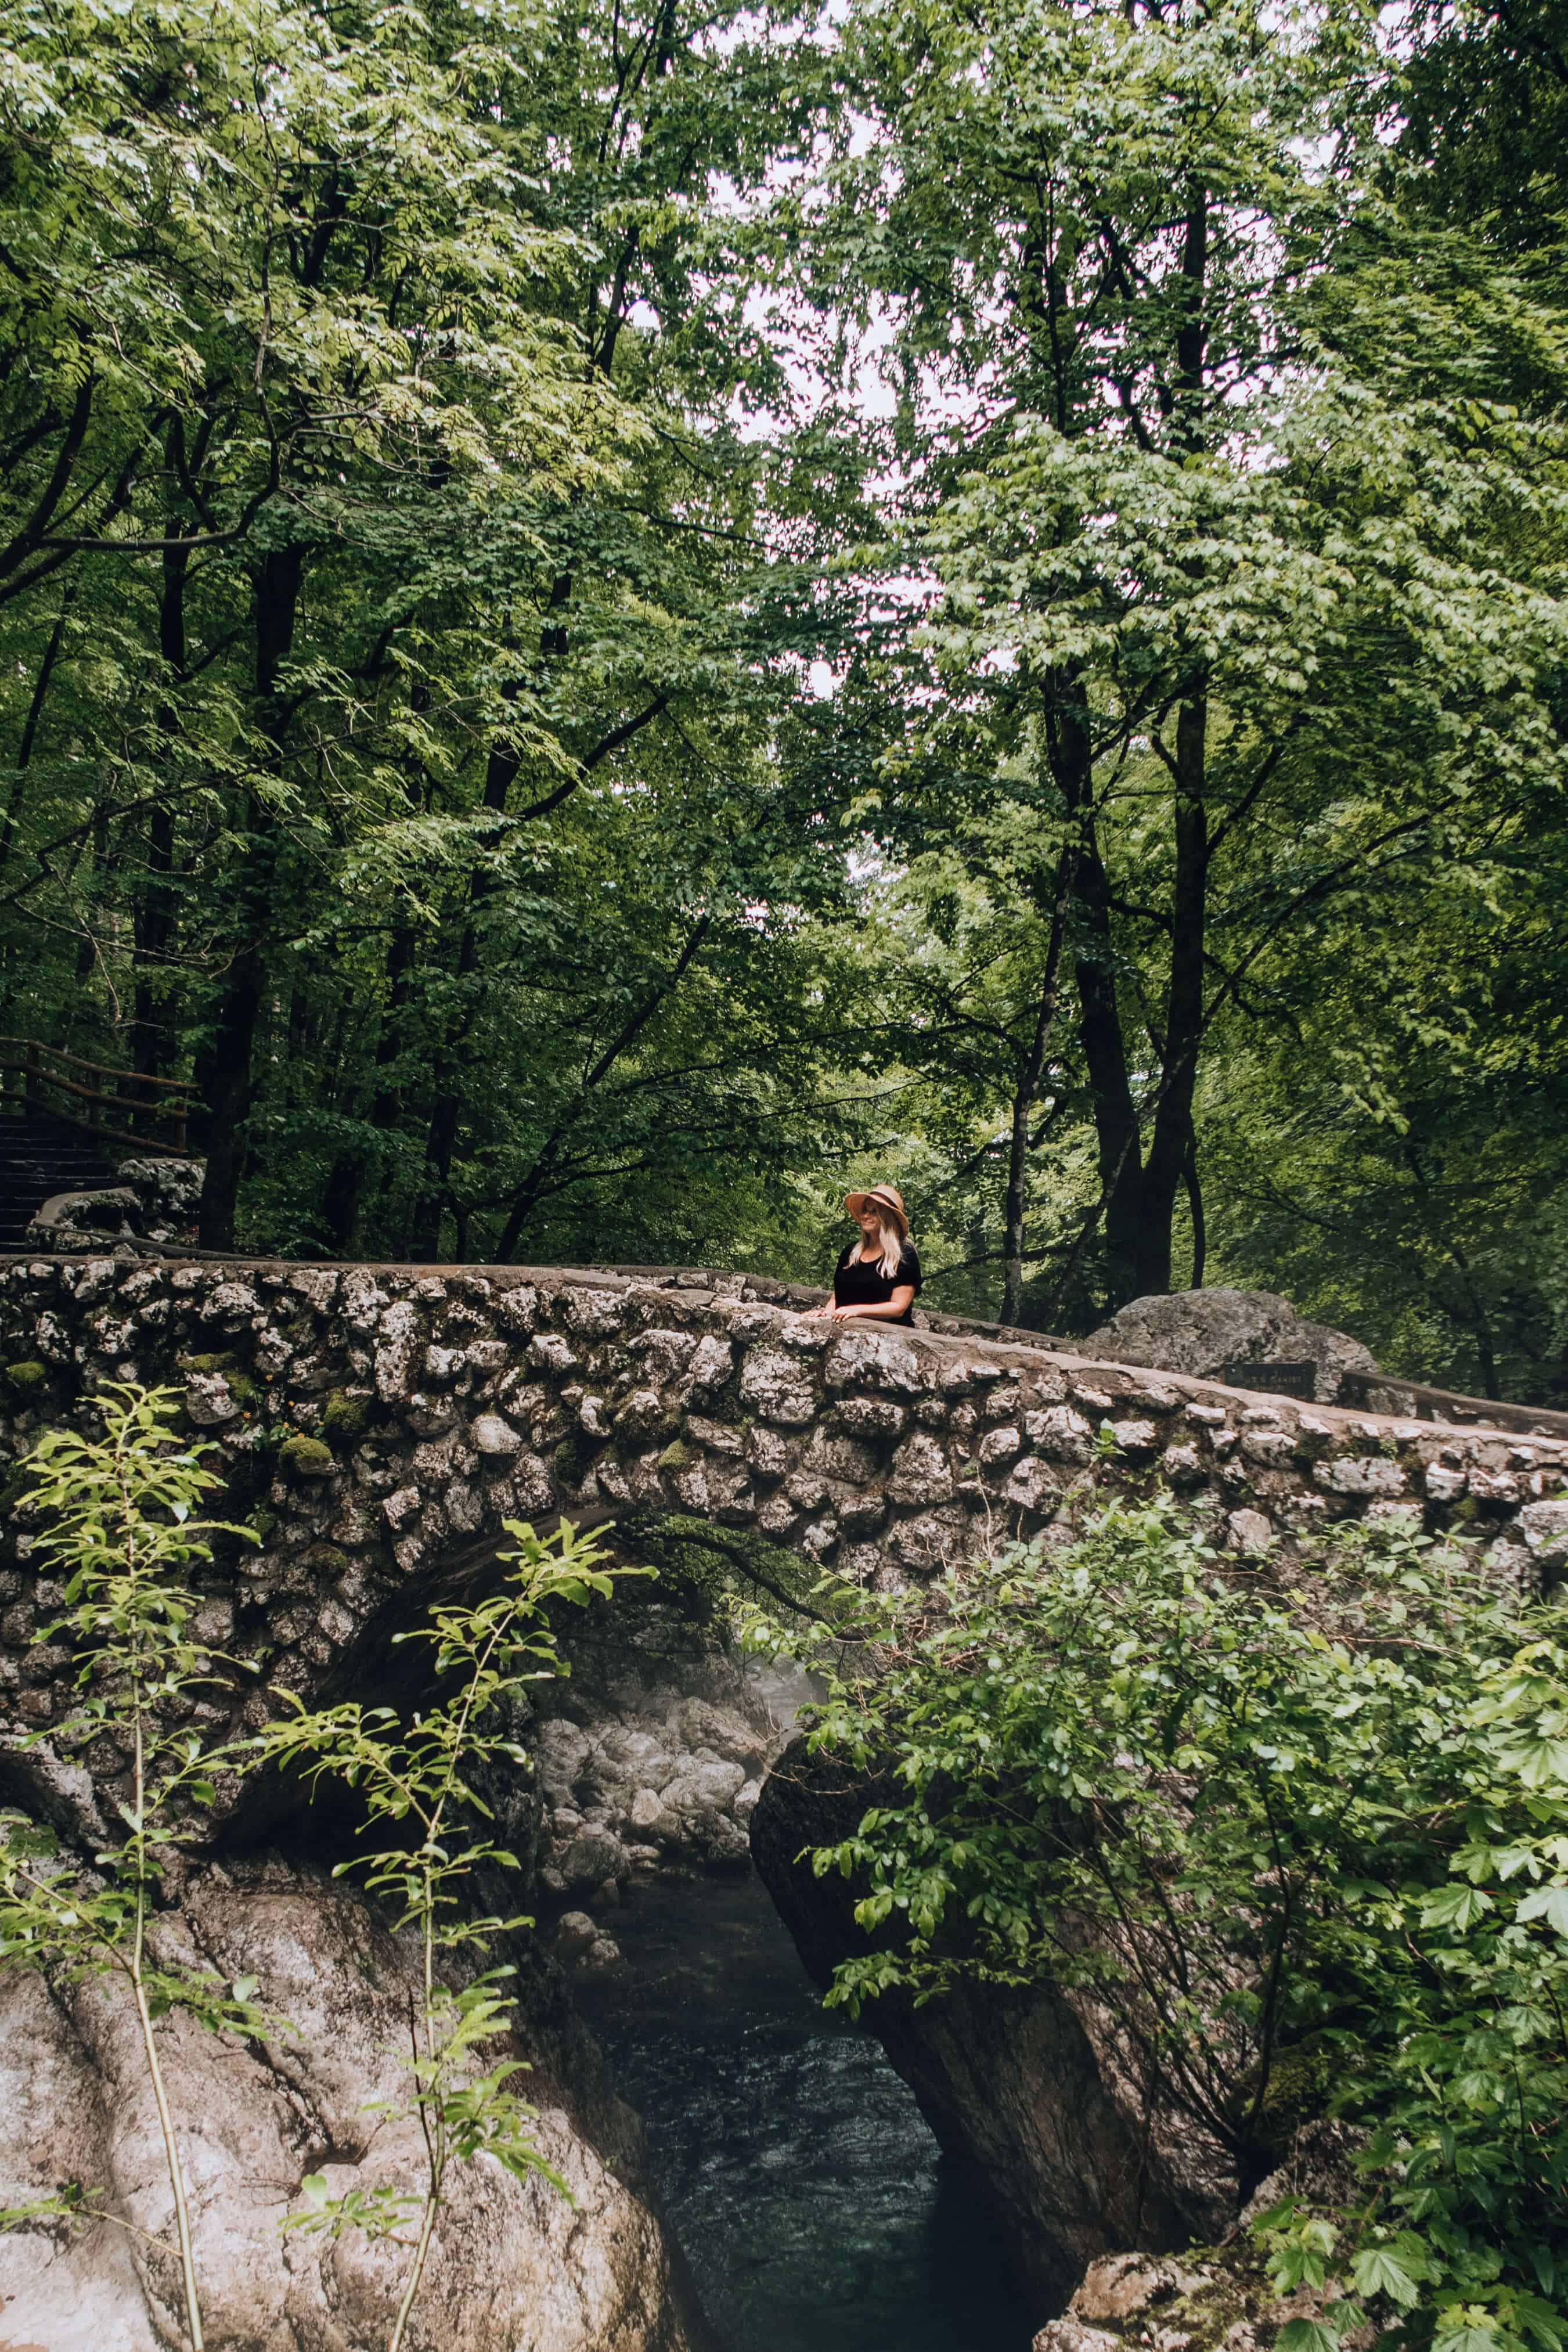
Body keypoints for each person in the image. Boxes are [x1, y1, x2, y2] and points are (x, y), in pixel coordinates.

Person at [805, 1184, 923, 1324]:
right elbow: (837, 1297)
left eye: (874, 1212)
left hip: (889, 1338)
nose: (866, 1216)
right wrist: (825, 1314)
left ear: (887, 1218)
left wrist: (855, 1311)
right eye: (865, 1210)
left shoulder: (904, 1255)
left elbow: (898, 1307)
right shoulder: (850, 1252)